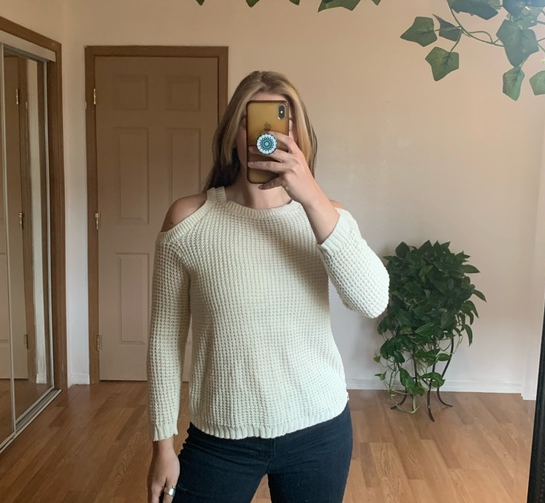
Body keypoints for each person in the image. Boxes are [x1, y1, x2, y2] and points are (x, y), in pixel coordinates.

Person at [146, 71, 389, 503]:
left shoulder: (326, 216)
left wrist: (311, 197)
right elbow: (165, 340)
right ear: (232, 136)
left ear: (299, 137)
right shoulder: (188, 222)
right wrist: (162, 444)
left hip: (320, 431)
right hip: (221, 436)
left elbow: (372, 300)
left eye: (282, 122)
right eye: (251, 121)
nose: (267, 135)